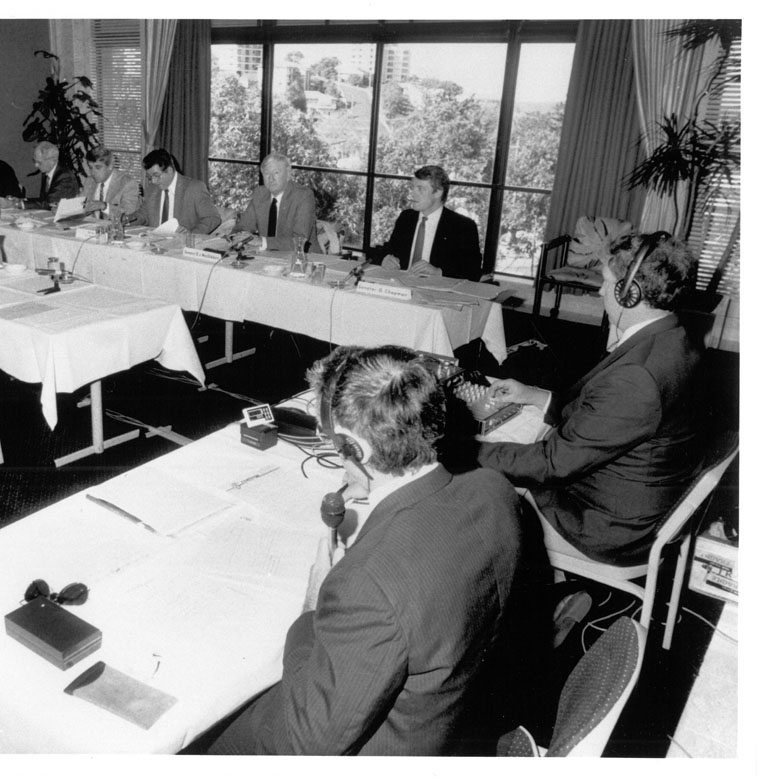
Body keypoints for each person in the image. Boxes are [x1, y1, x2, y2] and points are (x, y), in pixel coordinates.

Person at [206, 345, 523, 755]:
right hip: (447, 718)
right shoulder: (493, 490)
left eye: (332, 440)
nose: (332, 449)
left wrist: (312, 607)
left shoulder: (367, 586)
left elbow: (306, 745)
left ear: (357, 448)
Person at [478, 232, 704, 566]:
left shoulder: (637, 376)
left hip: (604, 525)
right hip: (637, 501)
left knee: (471, 494)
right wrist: (536, 396)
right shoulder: (676, 336)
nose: (600, 290)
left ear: (630, 294)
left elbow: (551, 465)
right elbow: (608, 415)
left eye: (606, 282)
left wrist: (465, 449)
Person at [369, 165, 482, 281]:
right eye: (412, 187)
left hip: (438, 292)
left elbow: (473, 272)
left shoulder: (462, 226)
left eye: (420, 189)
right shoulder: (406, 218)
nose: (413, 193)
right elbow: (384, 250)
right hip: (401, 286)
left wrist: (438, 272)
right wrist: (384, 258)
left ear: (438, 192)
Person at [234, 152, 321, 253]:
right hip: (267, 257)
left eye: (276, 173)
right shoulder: (260, 194)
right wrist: (238, 238)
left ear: (288, 175)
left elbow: (299, 240)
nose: (271, 178)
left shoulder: (303, 196)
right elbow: (243, 227)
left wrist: (262, 242)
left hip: (302, 258)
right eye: (266, 173)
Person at [133, 148, 220, 234]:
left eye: (156, 175)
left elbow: (212, 218)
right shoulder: (152, 189)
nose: (153, 181)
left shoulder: (195, 188)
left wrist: (191, 234)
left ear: (170, 170)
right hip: (155, 243)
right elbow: (143, 215)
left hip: (182, 244)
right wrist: (125, 220)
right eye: (150, 177)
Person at [82, 146, 140, 217]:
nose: (92, 172)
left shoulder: (128, 183)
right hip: (91, 226)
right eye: (90, 167)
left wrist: (105, 206)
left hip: (114, 227)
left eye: (98, 167)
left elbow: (129, 213)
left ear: (110, 166)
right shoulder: (89, 181)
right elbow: (81, 206)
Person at [23, 141, 80, 210]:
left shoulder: (65, 176)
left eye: (39, 162)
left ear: (53, 161)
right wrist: (20, 200)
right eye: (34, 161)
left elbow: (49, 203)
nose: (36, 165)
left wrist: (19, 204)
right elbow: (43, 200)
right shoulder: (46, 172)